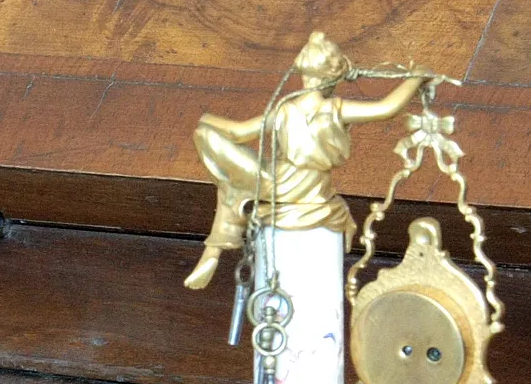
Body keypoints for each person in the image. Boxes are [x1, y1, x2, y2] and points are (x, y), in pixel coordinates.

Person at [184, 31, 430, 289]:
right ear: (331, 77)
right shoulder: (335, 109)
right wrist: (416, 78)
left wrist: (205, 121)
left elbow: (238, 132)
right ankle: (212, 251)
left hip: (276, 186)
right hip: (314, 194)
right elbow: (385, 108)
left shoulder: (284, 110)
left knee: (232, 184)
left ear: (304, 74)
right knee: (235, 185)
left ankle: (213, 250)